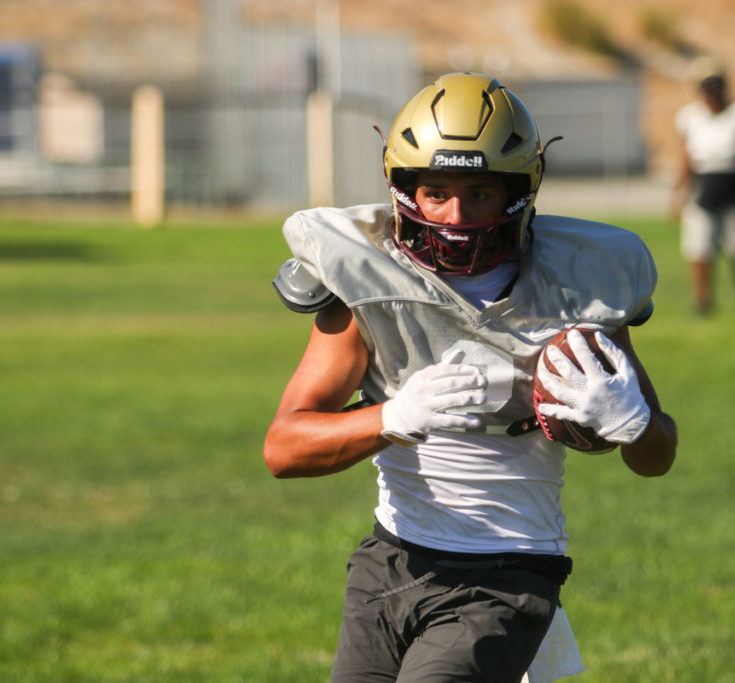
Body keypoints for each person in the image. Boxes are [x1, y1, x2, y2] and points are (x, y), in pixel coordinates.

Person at [265, 72, 678, 683]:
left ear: (518, 188)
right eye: (436, 192)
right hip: (391, 560)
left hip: (509, 571)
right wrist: (391, 420)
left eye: (480, 192)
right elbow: (284, 448)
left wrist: (632, 422)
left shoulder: (579, 286)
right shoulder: (365, 284)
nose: (456, 216)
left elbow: (657, 458)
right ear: (404, 188)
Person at [670, 56, 735, 316]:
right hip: (703, 190)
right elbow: (687, 160)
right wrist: (678, 193)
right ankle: (703, 302)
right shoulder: (692, 118)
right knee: (699, 250)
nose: (711, 94)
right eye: (706, 88)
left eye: (715, 87)